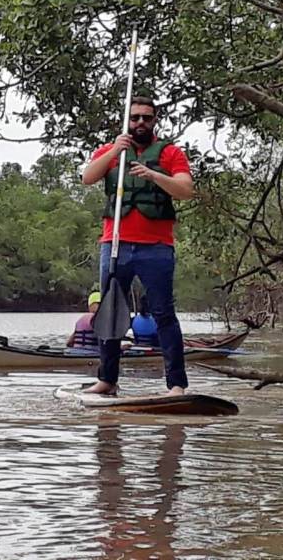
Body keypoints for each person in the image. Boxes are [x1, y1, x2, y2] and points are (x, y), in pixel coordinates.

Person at [82, 95, 194, 396]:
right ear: (127, 121)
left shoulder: (170, 153)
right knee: (110, 311)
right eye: (135, 118)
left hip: (156, 248)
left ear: (154, 120)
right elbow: (87, 177)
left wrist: (154, 175)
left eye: (146, 117)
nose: (140, 123)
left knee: (164, 314)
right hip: (115, 244)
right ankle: (107, 379)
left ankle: (176, 385)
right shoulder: (111, 150)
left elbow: (185, 190)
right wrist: (113, 153)